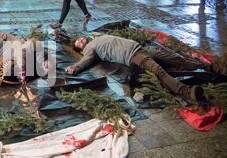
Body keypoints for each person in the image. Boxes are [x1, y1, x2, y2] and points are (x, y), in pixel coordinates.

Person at [64, 35, 209, 104]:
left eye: (81, 39)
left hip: (142, 49)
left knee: (174, 59)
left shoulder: (96, 38)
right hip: (134, 56)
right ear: (81, 49)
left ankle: (206, 66)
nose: (82, 41)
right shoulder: (89, 49)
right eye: (80, 43)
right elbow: (86, 60)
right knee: (159, 71)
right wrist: (74, 68)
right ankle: (187, 92)